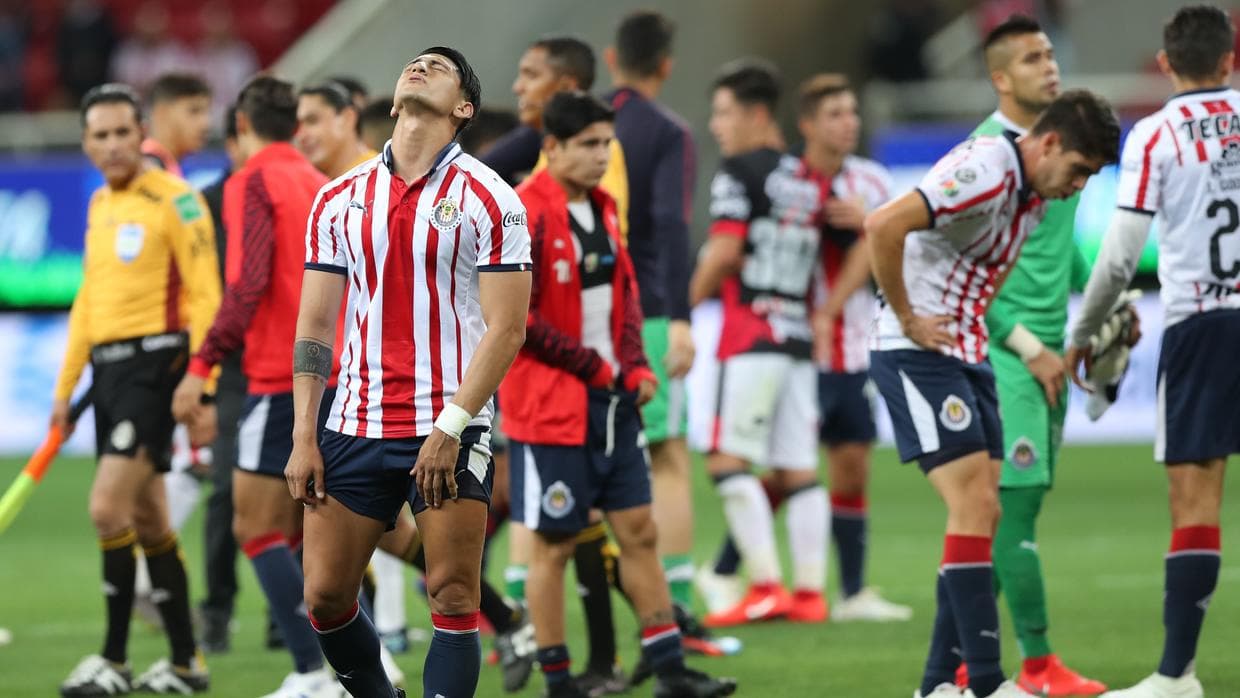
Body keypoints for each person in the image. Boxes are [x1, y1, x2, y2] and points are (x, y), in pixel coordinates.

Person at [284, 46, 531, 698]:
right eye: (414, 63)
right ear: (394, 101)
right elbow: (314, 327)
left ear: (463, 108)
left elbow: (508, 329)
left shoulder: (491, 199)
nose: (420, 67)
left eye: (439, 68)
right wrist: (304, 433)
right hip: (353, 420)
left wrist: (451, 427)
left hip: (448, 422)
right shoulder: (337, 198)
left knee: (452, 593)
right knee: (325, 596)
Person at [865, 89, 1119, 698]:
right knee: (975, 505)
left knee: (987, 511)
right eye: (1079, 170)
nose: (1079, 187)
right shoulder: (986, 169)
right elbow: (883, 225)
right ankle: (984, 682)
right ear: (1049, 143)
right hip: (916, 352)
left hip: (966, 352)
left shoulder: (1032, 197)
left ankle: (937, 685)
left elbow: (994, 269)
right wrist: (908, 317)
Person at [502, 89, 737, 698]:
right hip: (551, 411)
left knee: (639, 532)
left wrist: (633, 363)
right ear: (552, 147)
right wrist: (596, 368)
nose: (602, 156)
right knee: (554, 547)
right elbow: (519, 319)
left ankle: (670, 671)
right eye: (588, 145)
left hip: (611, 403)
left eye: (607, 144)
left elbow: (627, 296)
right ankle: (559, 681)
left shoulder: (604, 208)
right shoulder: (523, 212)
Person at [1066, 7, 1238, 698]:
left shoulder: (1157, 134)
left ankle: (1176, 677)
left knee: (1195, 497)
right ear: (1229, 60)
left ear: (1165, 63)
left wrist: (1084, 330)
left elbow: (1119, 255)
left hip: (1203, 323)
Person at [170, 75, 341, 698]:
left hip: (277, 377)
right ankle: (364, 664)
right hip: (338, 372)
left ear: (242, 125)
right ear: (295, 124)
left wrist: (201, 365)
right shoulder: (322, 183)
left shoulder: (252, 182)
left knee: (256, 528)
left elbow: (246, 285)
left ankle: (313, 672)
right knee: (317, 532)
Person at [54, 83, 218, 696]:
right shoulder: (100, 204)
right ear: (86, 143)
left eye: (123, 132)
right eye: (101, 135)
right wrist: (66, 389)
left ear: (141, 132)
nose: (114, 145)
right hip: (109, 373)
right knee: (149, 519)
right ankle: (186, 663)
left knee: (106, 508)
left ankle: (115, 659)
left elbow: (207, 295)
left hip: (157, 366)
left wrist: (203, 381)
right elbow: (88, 303)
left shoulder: (177, 201)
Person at [972, 15, 1108, 696]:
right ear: (1000, 78)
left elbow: (1064, 251)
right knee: (1008, 513)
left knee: (1005, 517)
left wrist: (1105, 304)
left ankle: (961, 661)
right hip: (1007, 358)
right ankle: (1035, 666)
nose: (1049, 66)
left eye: (1051, 54)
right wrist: (1027, 347)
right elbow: (964, 273)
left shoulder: (1057, 156)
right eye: (1032, 58)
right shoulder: (985, 159)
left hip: (1049, 355)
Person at [689, 59, 832, 629]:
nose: (717, 126)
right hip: (797, 332)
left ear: (755, 114)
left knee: (726, 458)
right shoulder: (806, 175)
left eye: (724, 113)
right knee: (798, 468)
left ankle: (767, 587)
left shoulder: (737, 171)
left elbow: (725, 250)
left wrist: (682, 306)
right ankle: (810, 594)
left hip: (750, 332)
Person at [800, 73, 911, 623]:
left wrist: (868, 223)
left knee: (851, 467)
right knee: (787, 473)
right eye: (835, 114)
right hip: (795, 349)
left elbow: (897, 246)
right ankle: (727, 569)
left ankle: (851, 592)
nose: (849, 123)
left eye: (852, 112)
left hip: (852, 347)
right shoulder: (789, 183)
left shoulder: (872, 180)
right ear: (808, 125)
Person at [602, 8, 699, 624]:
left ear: (612, 60)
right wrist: (682, 317)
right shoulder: (668, 131)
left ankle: (528, 604)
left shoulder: (583, 122)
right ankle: (676, 608)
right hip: (647, 312)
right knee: (665, 457)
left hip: (585, 311)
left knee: (573, 458)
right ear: (666, 65)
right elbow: (670, 224)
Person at [195, 107, 246, 654]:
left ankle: (293, 613)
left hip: (291, 367)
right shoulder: (207, 206)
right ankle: (217, 607)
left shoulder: (295, 191)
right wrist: (204, 384)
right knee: (226, 490)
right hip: (232, 368)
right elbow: (203, 297)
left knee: (307, 495)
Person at [296, 81, 377, 179]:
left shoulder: (382, 175)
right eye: (295, 127)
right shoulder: (314, 185)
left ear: (347, 118)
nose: (301, 136)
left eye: (312, 120)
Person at [141, 73, 211, 178]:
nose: (205, 124)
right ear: (162, 113)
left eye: (207, 112)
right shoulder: (148, 168)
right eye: (194, 111)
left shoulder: (167, 167)